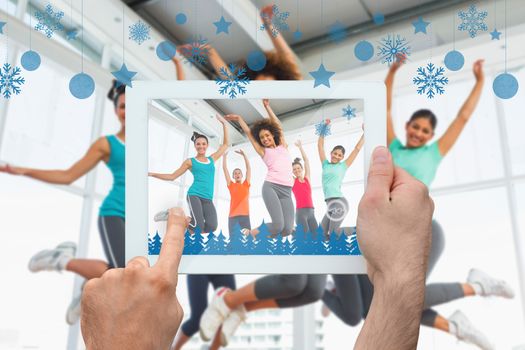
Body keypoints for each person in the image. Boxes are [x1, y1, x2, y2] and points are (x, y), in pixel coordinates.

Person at [80, 147, 436, 350]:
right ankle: (230, 305)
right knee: (299, 286)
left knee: (308, 288)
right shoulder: (265, 185)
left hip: (300, 228)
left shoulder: (301, 183)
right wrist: (398, 276)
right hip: (255, 228)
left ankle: (233, 307)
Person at [384, 56, 494, 345]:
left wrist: (480, 80)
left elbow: (463, 117)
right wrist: (393, 71)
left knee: (400, 298)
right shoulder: (393, 146)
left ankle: (476, 286)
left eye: (425, 131)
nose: (418, 133)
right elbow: (383, 107)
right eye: (415, 127)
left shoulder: (433, 153)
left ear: (432, 136)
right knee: (392, 302)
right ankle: (457, 320)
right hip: (394, 235)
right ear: (407, 125)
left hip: (422, 232)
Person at [199, 101, 327, 346]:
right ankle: (253, 234)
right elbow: (249, 134)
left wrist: (268, 108)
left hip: (286, 191)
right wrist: (240, 122)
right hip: (270, 187)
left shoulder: (283, 146)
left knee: (288, 229)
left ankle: (258, 239)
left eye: (269, 136)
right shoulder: (264, 152)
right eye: (264, 138)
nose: (267, 140)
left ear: (274, 136)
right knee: (278, 224)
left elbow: (277, 124)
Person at [149, 116, 232, 350]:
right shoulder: (191, 162)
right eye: (199, 145)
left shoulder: (212, 160)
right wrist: (155, 174)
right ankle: (175, 214)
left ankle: (174, 217)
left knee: (210, 226)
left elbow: (225, 146)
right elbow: (174, 176)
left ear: (207, 146)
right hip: (194, 195)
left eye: (204, 145)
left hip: (207, 199)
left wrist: (224, 125)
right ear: (196, 147)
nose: (202, 147)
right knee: (196, 223)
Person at [180, 4, 301, 81]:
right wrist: (209, 50)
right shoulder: (251, 94)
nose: (264, 85)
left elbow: (285, 54)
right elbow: (229, 78)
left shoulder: (292, 84)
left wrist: (267, 23)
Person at [318, 120, 364, 235]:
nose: (336, 156)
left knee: (333, 233)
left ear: (342, 157)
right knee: (321, 233)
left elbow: (357, 149)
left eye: (339, 155)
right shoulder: (325, 164)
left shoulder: (343, 166)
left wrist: (365, 133)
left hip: (339, 203)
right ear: (331, 153)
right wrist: (324, 128)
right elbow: (320, 145)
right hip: (329, 205)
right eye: (335, 153)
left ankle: (360, 231)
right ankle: (328, 252)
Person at [292, 140, 318, 235]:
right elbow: (285, 168)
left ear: (302, 169)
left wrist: (300, 147)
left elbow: (306, 161)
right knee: (304, 237)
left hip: (311, 212)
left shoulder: (307, 179)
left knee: (316, 236)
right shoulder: (293, 181)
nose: (296, 170)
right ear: (292, 172)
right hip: (301, 213)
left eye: (298, 168)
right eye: (294, 169)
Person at [222, 150, 251, 235]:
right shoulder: (231, 185)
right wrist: (224, 157)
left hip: (245, 216)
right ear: (233, 176)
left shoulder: (246, 184)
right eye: (235, 173)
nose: (237, 174)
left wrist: (244, 155)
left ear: (242, 175)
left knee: (248, 240)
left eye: (239, 173)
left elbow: (248, 168)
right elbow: (225, 169)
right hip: (233, 217)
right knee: (233, 241)